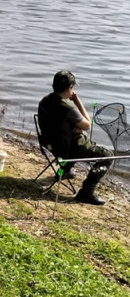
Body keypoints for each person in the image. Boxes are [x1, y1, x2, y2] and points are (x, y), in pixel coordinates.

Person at [38, 70, 112, 205]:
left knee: (74, 137)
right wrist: (78, 102)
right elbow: (88, 124)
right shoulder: (68, 109)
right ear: (69, 88)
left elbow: (58, 123)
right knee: (107, 156)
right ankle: (86, 192)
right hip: (66, 149)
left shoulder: (45, 100)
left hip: (50, 144)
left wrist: (71, 128)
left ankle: (64, 171)